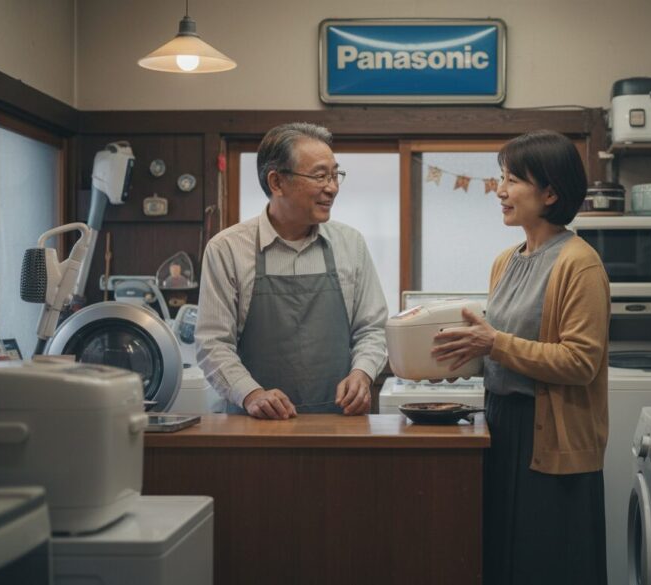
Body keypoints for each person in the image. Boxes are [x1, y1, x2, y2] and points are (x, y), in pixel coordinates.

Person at [432, 130, 610, 584]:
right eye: (500, 178)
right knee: (503, 562)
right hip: (502, 424)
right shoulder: (506, 261)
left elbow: (580, 361)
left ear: (550, 192)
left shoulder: (579, 262)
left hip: (551, 435)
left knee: (547, 564)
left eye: (513, 180)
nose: (501, 190)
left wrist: (493, 345)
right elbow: (503, 344)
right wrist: (457, 360)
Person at [195, 122, 387, 418]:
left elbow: (372, 329)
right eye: (320, 176)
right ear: (276, 182)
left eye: (336, 175)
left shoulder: (351, 244)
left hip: (340, 425)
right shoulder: (227, 250)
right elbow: (213, 343)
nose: (332, 187)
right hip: (254, 428)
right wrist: (252, 394)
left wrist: (362, 374)